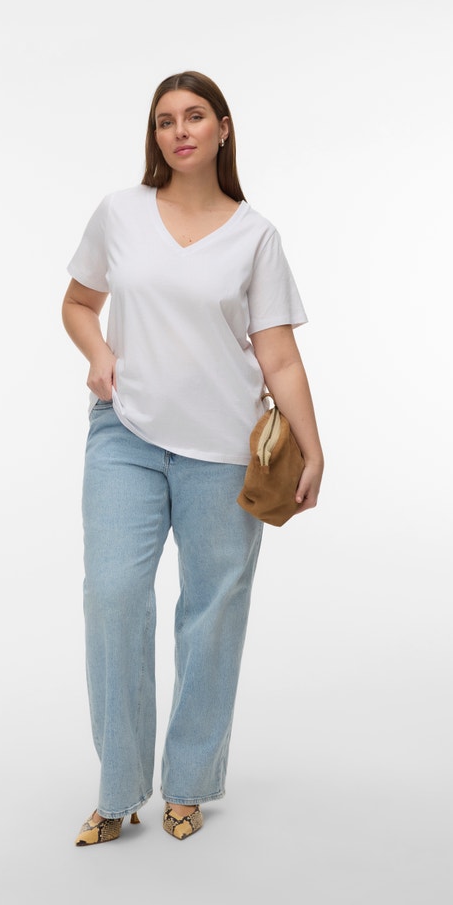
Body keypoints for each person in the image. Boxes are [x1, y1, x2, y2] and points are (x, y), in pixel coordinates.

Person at [62, 70, 324, 845]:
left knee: (212, 614)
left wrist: (313, 446)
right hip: (126, 435)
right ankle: (118, 790)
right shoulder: (120, 212)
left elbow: (278, 355)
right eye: (165, 120)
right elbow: (78, 303)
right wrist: (99, 353)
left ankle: (188, 784)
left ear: (222, 129)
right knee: (113, 596)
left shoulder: (255, 236)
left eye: (194, 116)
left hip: (222, 449)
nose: (179, 130)